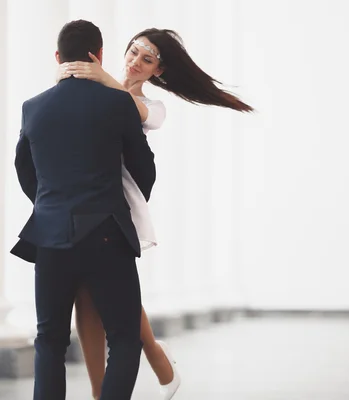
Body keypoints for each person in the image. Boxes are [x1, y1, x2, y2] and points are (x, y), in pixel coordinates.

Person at [56, 28, 252, 400]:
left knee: (109, 289)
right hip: (80, 198)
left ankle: (142, 366)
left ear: (157, 72)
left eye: (147, 60)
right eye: (133, 52)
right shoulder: (94, 88)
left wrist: (102, 77)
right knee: (90, 291)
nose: (134, 62)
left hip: (117, 203)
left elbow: (132, 111)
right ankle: (131, 372)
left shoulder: (151, 108)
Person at [10, 20, 157, 400]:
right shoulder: (118, 103)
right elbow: (144, 169)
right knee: (125, 339)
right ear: (100, 55)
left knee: (50, 342)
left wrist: (53, 204)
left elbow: (24, 170)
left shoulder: (33, 107)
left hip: (50, 236)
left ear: (58, 57)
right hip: (107, 232)